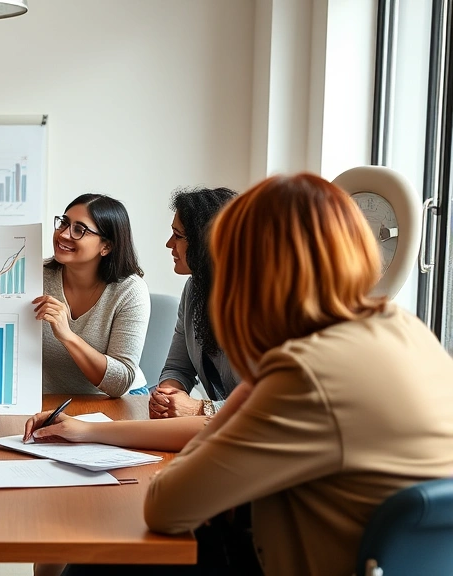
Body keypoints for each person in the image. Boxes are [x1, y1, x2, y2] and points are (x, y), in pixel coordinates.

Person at [30, 173, 453, 576]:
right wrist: (92, 431)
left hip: (305, 561)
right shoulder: (406, 329)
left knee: (108, 552)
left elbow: (166, 506)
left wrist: (238, 402)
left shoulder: (305, 372)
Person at [33, 193, 150, 397]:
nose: (63, 234)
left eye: (79, 230)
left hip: (113, 399)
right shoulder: (33, 275)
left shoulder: (130, 290)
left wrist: (67, 336)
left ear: (106, 246)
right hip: (49, 399)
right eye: (64, 223)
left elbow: (120, 382)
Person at [150, 187, 238, 418]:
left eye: (178, 236)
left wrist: (200, 408)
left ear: (207, 241)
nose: (169, 244)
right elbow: (178, 367)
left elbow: (270, 403)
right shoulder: (194, 288)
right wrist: (167, 395)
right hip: (219, 429)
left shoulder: (260, 303)